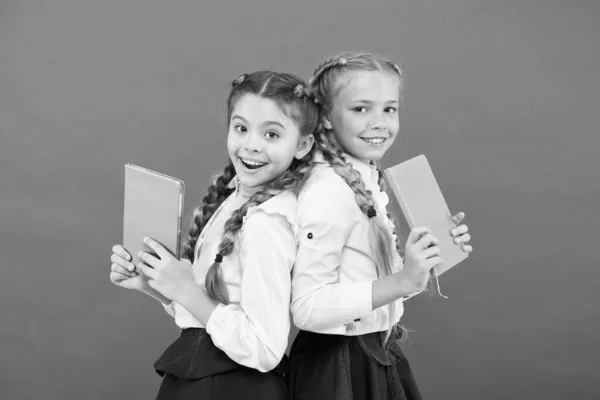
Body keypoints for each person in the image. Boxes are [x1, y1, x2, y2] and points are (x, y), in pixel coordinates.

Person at [109, 71, 319, 400]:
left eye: (272, 134)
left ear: (303, 145)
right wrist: (155, 284)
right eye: (241, 128)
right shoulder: (235, 202)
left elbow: (265, 348)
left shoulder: (268, 222)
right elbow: (215, 307)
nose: (252, 144)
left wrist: (187, 290)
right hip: (206, 379)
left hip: (233, 387)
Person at [287, 52, 473, 400]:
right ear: (326, 116)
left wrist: (422, 263)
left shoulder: (364, 176)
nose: (380, 122)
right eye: (361, 109)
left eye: (390, 109)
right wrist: (402, 281)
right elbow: (307, 307)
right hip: (338, 367)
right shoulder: (328, 190)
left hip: (372, 351)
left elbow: (374, 284)